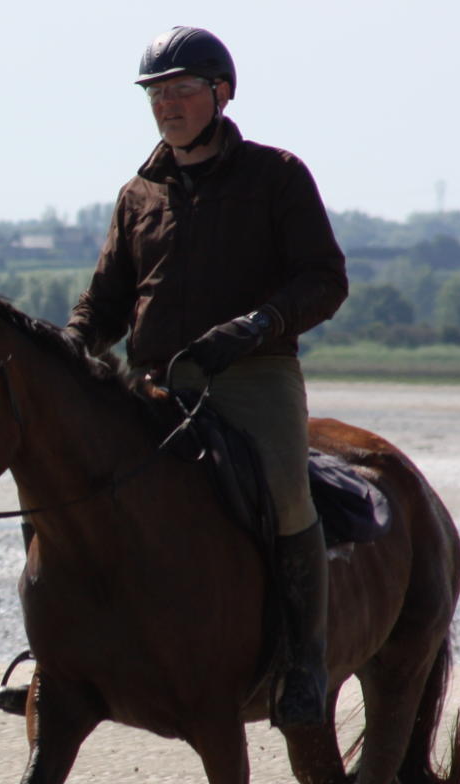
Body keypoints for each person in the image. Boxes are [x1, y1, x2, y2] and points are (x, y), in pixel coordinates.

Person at [64, 26, 348, 729]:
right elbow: (105, 303)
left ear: (221, 93)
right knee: (73, 487)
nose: (168, 105)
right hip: (157, 384)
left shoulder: (277, 175)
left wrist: (259, 324)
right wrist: (68, 347)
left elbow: (325, 280)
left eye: (182, 90)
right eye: (157, 94)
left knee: (286, 498)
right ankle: (61, 662)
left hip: (253, 376)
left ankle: (303, 666)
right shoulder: (139, 193)